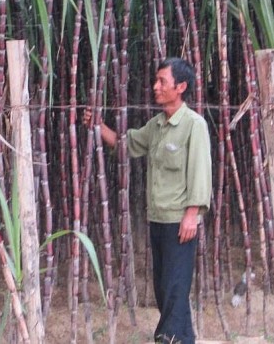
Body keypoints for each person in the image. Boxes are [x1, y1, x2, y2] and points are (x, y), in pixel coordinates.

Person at [86, 57, 212, 344]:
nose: (155, 87)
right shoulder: (156, 125)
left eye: (162, 82)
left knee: (175, 287)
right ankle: (183, 338)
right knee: (165, 287)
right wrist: (97, 124)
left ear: (181, 87)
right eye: (156, 81)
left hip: (180, 221)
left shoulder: (194, 125)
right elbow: (125, 143)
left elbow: (201, 173)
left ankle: (166, 337)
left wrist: (192, 214)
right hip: (157, 218)